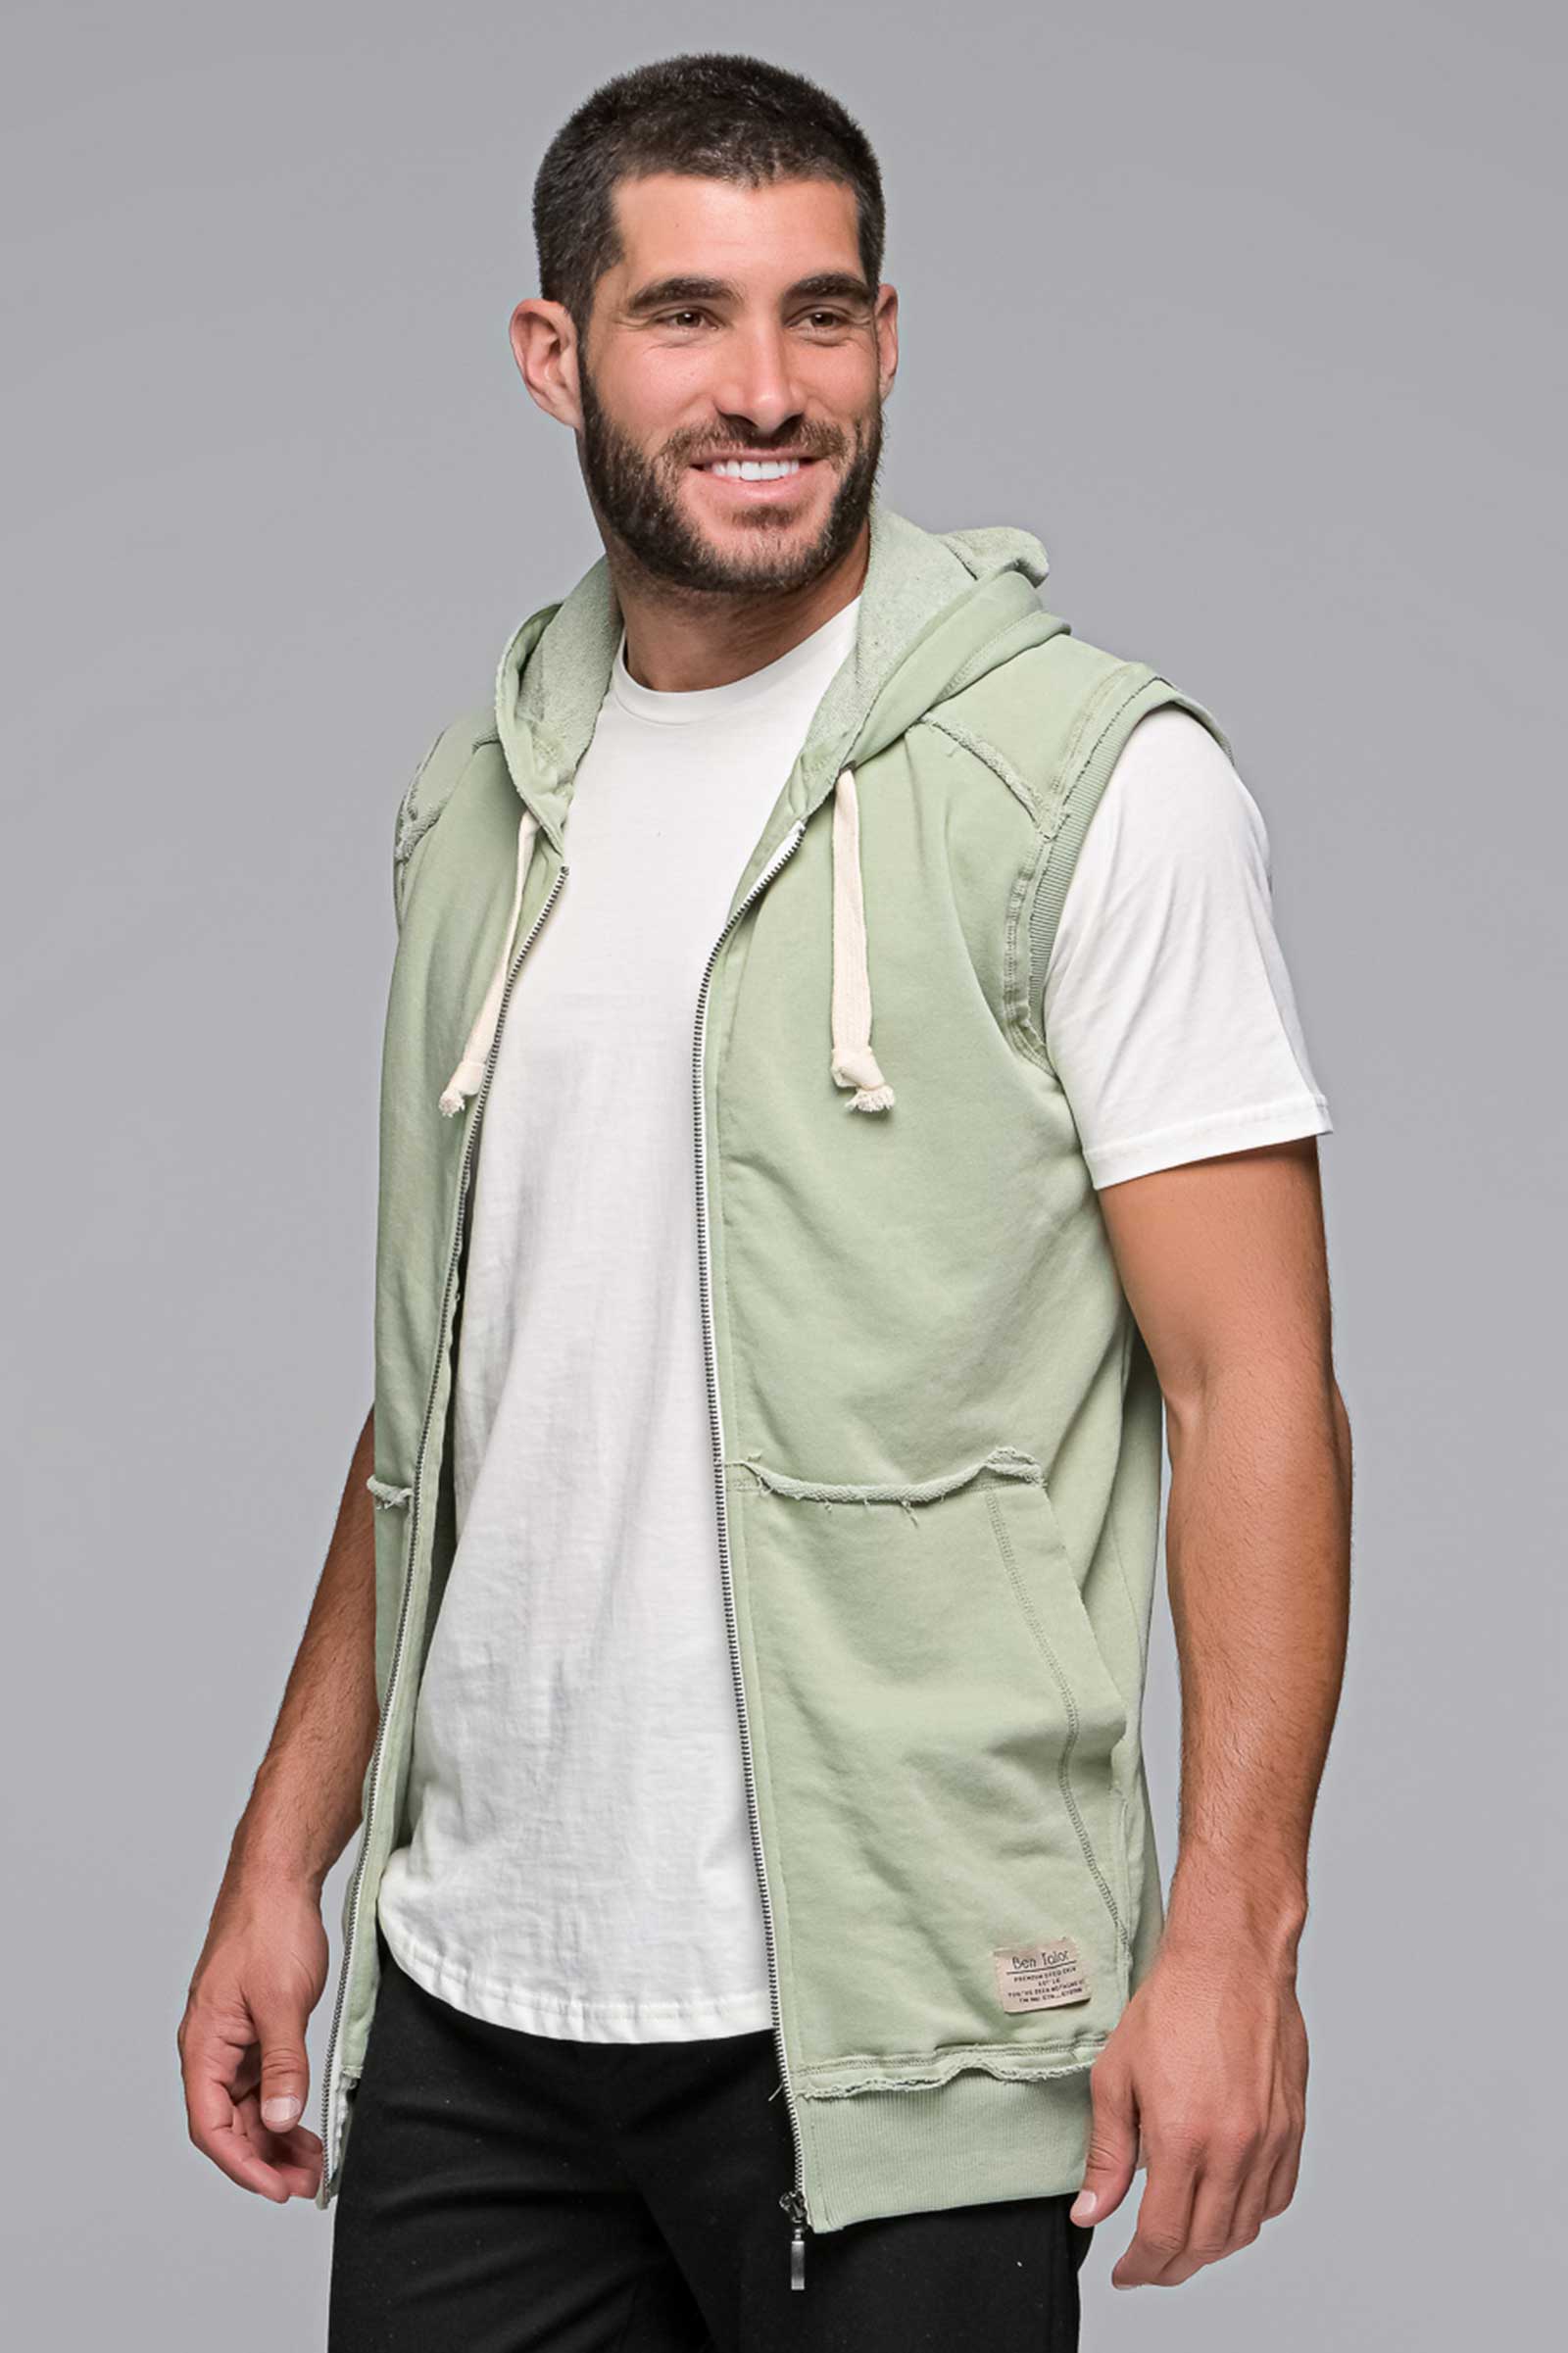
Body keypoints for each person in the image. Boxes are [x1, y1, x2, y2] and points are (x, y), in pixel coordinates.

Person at [177, 49, 1351, 2352]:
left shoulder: (1089, 787)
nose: (764, 390)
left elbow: (1254, 1388)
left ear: (885, 340)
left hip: (905, 2012)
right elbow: (456, 1386)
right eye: (685, 317)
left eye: (819, 315)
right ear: (554, 355)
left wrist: (1235, 1928)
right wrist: (280, 1851)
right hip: (476, 2012)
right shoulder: (480, 802)